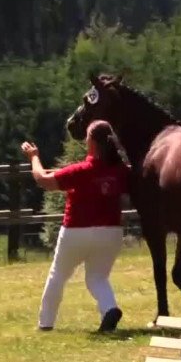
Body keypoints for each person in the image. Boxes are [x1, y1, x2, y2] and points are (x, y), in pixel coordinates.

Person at [20, 120, 130, 332]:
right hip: (111, 232)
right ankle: (109, 309)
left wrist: (34, 157)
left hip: (76, 231)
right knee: (98, 277)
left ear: (91, 142)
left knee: (58, 275)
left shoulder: (81, 170)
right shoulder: (121, 171)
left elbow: (44, 180)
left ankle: (46, 323)